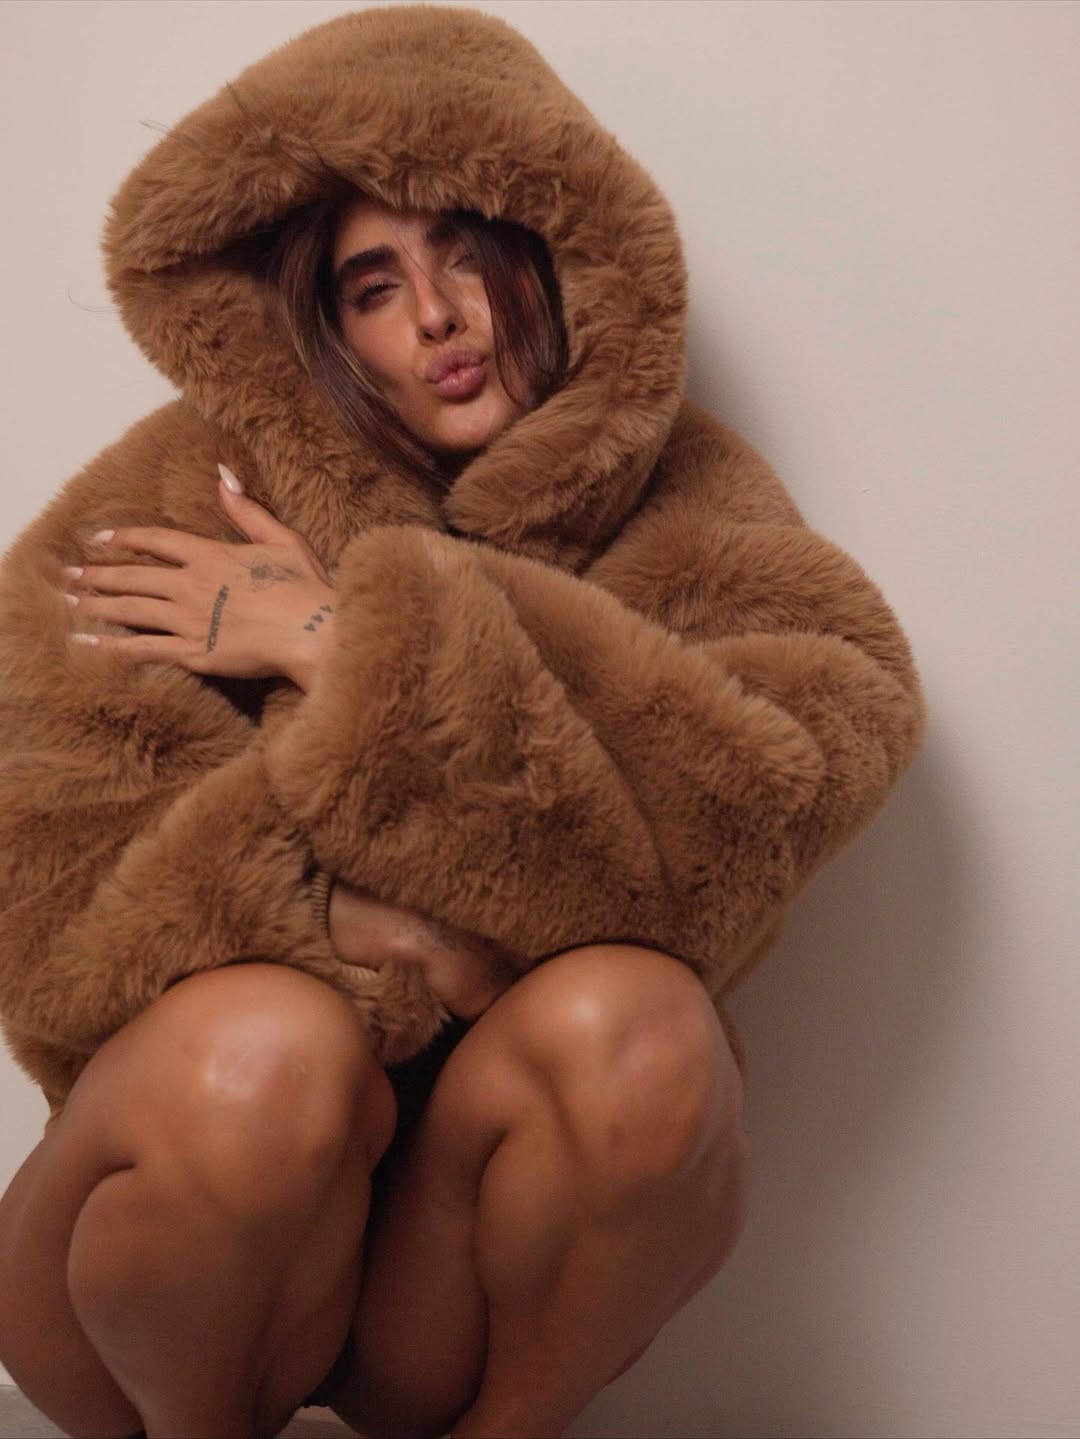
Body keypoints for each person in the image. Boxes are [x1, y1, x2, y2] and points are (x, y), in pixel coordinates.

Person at [0, 8, 928, 1439]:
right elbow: (40, 886)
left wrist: (336, 642)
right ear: (324, 326)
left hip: (440, 1297)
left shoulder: (699, 516)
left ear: (557, 250)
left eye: (467, 254)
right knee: (266, 1055)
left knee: (649, 1031)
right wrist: (378, 936)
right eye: (373, 286)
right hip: (144, 1288)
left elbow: (739, 832)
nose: (434, 318)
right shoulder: (186, 499)